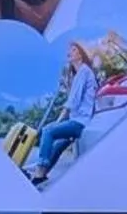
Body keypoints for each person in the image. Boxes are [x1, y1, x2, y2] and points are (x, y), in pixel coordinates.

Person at [27, 41, 101, 185]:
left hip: (80, 122)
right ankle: (41, 175)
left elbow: (71, 103)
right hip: (80, 120)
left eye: (73, 50)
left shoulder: (84, 71)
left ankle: (40, 170)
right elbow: (74, 99)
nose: (69, 53)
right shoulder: (80, 74)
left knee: (48, 130)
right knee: (59, 145)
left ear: (80, 55)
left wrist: (58, 122)